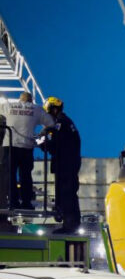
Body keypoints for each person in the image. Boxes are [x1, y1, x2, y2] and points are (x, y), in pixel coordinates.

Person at [0, 92, 53, 210]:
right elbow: (51, 124)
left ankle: (12, 202)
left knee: (9, 176)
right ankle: (26, 203)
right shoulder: (37, 109)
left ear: (20, 100)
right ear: (31, 100)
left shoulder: (8, 106)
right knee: (26, 176)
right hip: (26, 148)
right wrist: (43, 133)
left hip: (10, 146)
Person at [40, 97, 81, 233]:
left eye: (49, 112)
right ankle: (69, 224)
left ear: (54, 109)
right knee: (68, 194)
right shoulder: (65, 122)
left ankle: (70, 226)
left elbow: (55, 146)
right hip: (68, 164)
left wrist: (41, 142)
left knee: (66, 194)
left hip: (65, 165)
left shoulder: (61, 123)